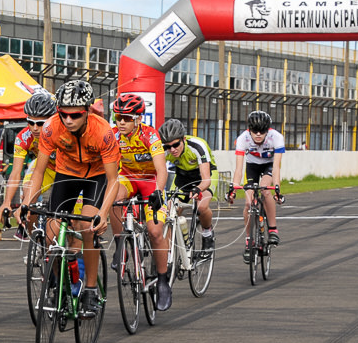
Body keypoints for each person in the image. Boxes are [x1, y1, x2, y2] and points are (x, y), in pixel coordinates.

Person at [21, 79, 120, 318]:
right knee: (51, 236)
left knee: (87, 226)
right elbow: (38, 171)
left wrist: (103, 214)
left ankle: (90, 289)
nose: (68, 120)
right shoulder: (51, 128)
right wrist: (27, 203)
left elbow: (114, 180)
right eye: (63, 114)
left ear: (86, 111)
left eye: (74, 115)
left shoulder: (103, 132)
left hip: (95, 177)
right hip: (66, 175)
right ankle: (60, 284)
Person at [107, 94, 171, 309]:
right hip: (128, 178)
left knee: (154, 232)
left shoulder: (150, 136)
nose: (121, 122)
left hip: (152, 181)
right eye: (118, 117)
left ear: (137, 119)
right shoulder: (113, 136)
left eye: (126, 118)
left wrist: (159, 192)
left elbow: (162, 170)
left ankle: (163, 281)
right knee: (112, 198)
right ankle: (120, 247)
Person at [226, 110, 285, 260]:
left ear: (268, 130)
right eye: (254, 130)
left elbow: (277, 167)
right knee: (248, 203)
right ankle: (249, 240)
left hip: (269, 165)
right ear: (249, 130)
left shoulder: (277, 138)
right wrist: (233, 189)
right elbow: (239, 169)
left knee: (265, 190)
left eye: (262, 131)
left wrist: (277, 188)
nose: (258, 134)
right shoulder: (242, 139)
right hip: (252, 166)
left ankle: (272, 229)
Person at [158, 118, 217, 265]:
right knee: (170, 211)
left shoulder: (197, 146)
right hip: (183, 176)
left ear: (183, 139)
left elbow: (206, 179)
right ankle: (169, 252)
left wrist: (197, 189)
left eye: (176, 144)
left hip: (204, 176)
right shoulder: (164, 150)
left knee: (201, 206)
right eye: (168, 146)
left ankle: (208, 234)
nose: (172, 150)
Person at [0, 91, 57, 229]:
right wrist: (7, 202)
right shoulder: (23, 137)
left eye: (40, 123)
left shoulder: (61, 133)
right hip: (46, 167)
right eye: (31, 122)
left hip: (67, 169)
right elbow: (16, 173)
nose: (35, 128)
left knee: (74, 222)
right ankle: (34, 237)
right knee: (27, 191)